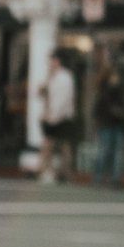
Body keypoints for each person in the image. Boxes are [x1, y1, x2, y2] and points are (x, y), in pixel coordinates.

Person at [37, 47, 76, 183]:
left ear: (57, 61)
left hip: (62, 117)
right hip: (52, 115)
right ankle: (47, 171)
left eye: (52, 60)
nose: (50, 63)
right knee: (49, 144)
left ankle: (65, 174)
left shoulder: (65, 77)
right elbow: (46, 95)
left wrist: (54, 116)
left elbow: (63, 99)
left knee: (64, 147)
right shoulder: (52, 77)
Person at [91, 62, 124, 188]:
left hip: (118, 124)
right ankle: (98, 177)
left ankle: (115, 178)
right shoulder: (103, 90)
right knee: (105, 151)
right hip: (106, 124)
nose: (116, 77)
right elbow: (98, 109)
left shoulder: (119, 89)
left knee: (117, 153)